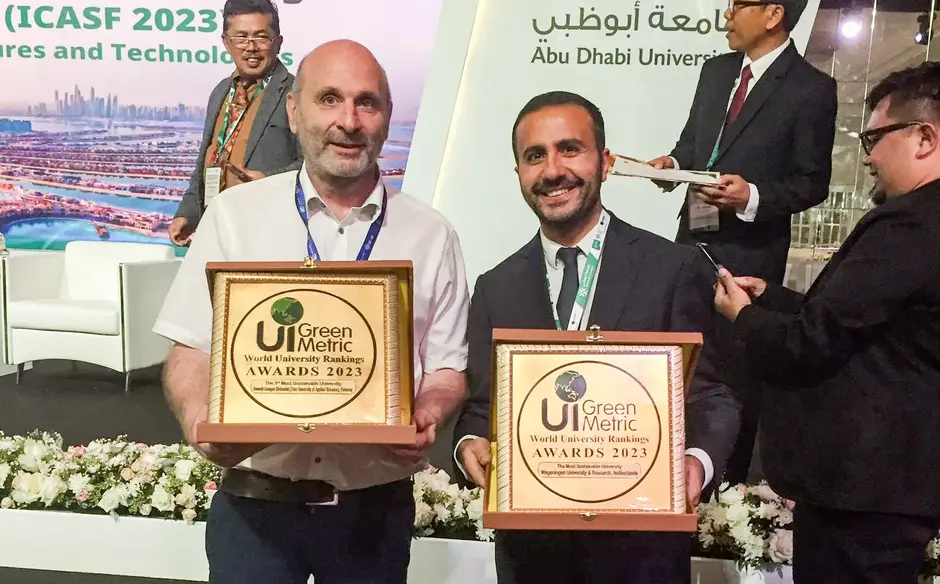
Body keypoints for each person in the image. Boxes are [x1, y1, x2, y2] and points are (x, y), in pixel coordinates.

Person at [153, 40, 469, 583]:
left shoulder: (431, 234)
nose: (349, 120)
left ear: (387, 119)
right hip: (254, 511)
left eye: (367, 103)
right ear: (295, 113)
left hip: (373, 515)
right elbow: (189, 350)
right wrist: (199, 423)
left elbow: (446, 368)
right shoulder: (235, 216)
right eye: (329, 99)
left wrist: (430, 413)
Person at [453, 91, 741, 584]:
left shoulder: (673, 269)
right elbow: (482, 405)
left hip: (641, 552)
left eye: (570, 149)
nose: (552, 170)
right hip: (531, 556)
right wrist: (469, 443)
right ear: (519, 172)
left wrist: (696, 461)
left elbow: (712, 393)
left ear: (605, 163)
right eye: (534, 156)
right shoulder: (495, 286)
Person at [714, 61, 940, 584]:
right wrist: (773, 298)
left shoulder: (909, 222)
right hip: (889, 489)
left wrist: (744, 317)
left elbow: (812, 343)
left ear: (924, 137)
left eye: (875, 137)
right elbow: (870, 325)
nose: (869, 157)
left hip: (865, 493)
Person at [649, 0, 837, 484]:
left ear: (773, 14)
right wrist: (673, 166)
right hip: (690, 240)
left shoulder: (812, 88)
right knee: (677, 360)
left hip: (751, 256)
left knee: (734, 374)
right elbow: (693, 145)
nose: (726, 16)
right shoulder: (715, 72)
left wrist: (750, 195)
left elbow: (811, 182)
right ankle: (665, 469)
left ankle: (726, 490)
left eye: (737, 6)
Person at [168, 0, 302, 247]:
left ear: (278, 42)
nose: (251, 47)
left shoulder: (297, 92)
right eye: (241, 37)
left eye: (261, 37)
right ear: (226, 43)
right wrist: (187, 214)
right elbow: (205, 162)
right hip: (216, 228)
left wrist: (269, 182)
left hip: (270, 234)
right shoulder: (220, 92)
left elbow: (315, 166)